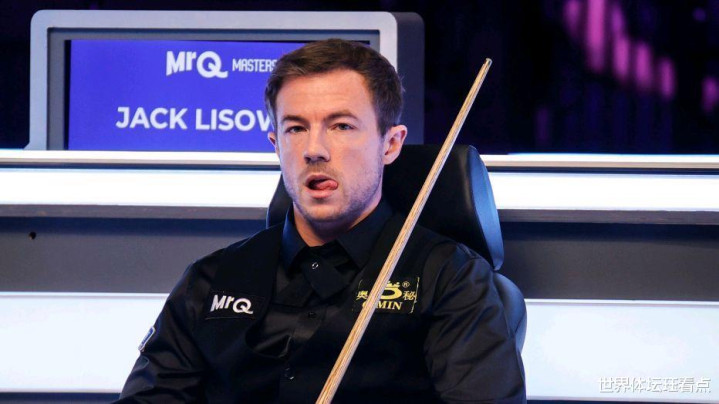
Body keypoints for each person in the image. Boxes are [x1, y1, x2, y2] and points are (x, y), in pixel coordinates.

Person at [118, 38, 525, 403]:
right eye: (296, 129)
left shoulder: (451, 278)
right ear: (276, 145)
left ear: (390, 144)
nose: (314, 149)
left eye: (341, 126)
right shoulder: (209, 280)